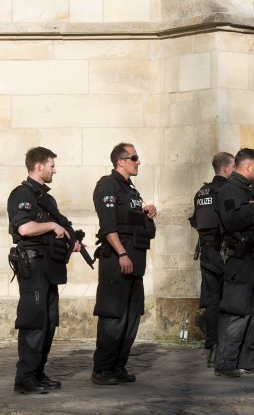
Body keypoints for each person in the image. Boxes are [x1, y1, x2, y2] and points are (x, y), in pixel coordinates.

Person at [7, 147, 81, 394]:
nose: (54, 170)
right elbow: (25, 229)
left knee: (49, 321)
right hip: (32, 263)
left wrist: (71, 240)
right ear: (38, 166)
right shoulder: (22, 195)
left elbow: (56, 226)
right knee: (34, 321)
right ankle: (25, 378)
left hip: (48, 265)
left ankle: (37, 372)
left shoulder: (46, 198)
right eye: (51, 165)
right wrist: (50, 225)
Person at [91, 143, 156, 385]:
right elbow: (108, 226)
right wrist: (121, 253)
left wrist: (147, 213)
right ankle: (102, 369)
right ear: (121, 161)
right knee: (114, 315)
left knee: (131, 317)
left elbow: (142, 229)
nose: (138, 162)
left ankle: (118, 366)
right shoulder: (108, 185)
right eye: (134, 158)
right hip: (118, 260)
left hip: (135, 260)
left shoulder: (132, 192)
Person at [213, 148, 254, 377]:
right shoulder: (229, 190)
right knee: (235, 311)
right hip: (237, 260)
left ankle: (248, 359)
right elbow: (231, 221)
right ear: (247, 166)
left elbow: (247, 218)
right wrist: (253, 207)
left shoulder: (246, 191)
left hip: (252, 258)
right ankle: (225, 363)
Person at [189, 152, 235, 367]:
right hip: (223, 250)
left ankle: (211, 344)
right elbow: (229, 220)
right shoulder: (225, 190)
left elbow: (195, 220)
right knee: (227, 299)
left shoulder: (201, 191)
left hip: (205, 250)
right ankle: (223, 346)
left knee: (211, 299)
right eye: (233, 167)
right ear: (225, 169)